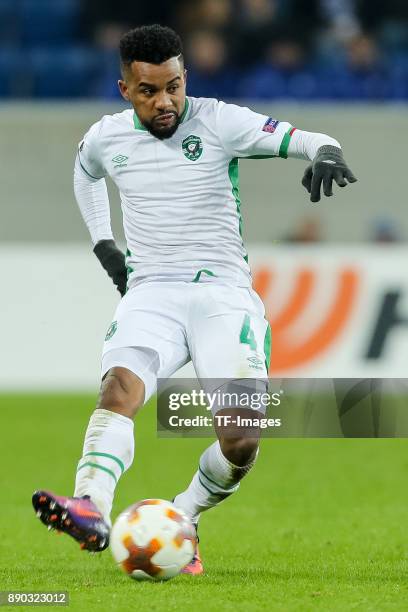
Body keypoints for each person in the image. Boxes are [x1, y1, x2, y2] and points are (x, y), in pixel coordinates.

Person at [32, 24, 357, 576]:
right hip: (152, 291)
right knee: (119, 389)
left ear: (186, 78)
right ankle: (90, 506)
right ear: (124, 89)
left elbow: (304, 138)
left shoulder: (218, 120)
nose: (166, 102)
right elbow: (85, 171)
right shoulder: (107, 136)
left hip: (223, 296)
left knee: (241, 439)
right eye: (149, 91)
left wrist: (327, 151)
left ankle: (185, 514)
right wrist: (104, 243)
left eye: (174, 86)